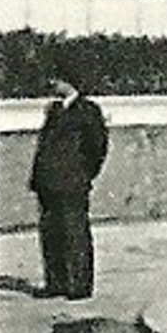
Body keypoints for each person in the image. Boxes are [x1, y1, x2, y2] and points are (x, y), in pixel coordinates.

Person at [29, 58, 109, 301]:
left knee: (75, 233)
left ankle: (79, 286)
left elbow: (98, 147)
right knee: (51, 232)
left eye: (57, 79)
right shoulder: (53, 109)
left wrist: (84, 174)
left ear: (69, 82)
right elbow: (44, 146)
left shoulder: (88, 110)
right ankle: (56, 283)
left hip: (73, 182)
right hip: (48, 182)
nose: (53, 83)